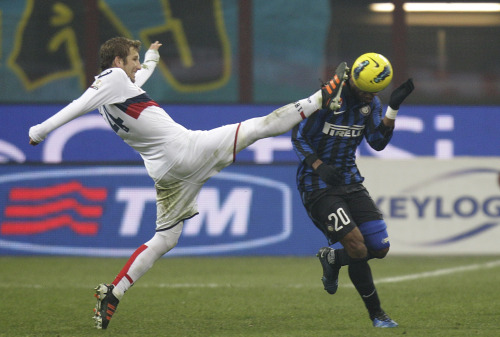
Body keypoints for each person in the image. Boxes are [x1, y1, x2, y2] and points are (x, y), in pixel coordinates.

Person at [28, 36, 347, 330]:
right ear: (116, 62)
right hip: (186, 152)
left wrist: (151, 57)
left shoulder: (114, 90)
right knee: (258, 127)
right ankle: (323, 96)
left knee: (166, 238)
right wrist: (41, 129)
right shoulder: (110, 81)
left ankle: (115, 291)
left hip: (167, 174)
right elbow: (78, 104)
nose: (137, 65)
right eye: (133, 59)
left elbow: (138, 78)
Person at [291, 53, 414, 328]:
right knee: (357, 246)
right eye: (367, 91)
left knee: (380, 248)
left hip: (350, 180)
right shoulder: (326, 100)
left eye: (377, 92)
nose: (372, 96)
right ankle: (377, 315)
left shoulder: (371, 104)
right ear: (354, 82)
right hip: (318, 185)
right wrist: (319, 165)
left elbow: (377, 142)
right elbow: (297, 136)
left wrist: (392, 110)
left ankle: (332, 258)